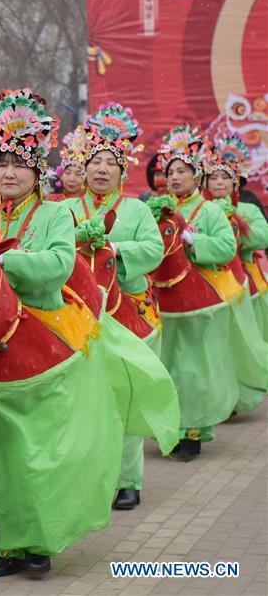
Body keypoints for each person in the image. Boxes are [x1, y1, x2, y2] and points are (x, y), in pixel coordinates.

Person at [0, 88, 136, 577]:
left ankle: (41, 539)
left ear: (37, 174)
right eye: (1, 164)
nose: (9, 173)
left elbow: (58, 265)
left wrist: (8, 258)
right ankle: (7, 541)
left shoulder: (55, 214)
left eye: (20, 166)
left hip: (43, 345)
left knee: (38, 451)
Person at [64, 102, 177, 510]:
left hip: (126, 309)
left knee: (123, 394)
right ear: (83, 166)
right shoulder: (65, 209)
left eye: (110, 162)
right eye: (94, 161)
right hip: (72, 312)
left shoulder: (136, 209)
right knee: (77, 399)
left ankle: (128, 478)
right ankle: (84, 474)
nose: (101, 169)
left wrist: (114, 248)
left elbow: (153, 249)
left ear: (122, 170)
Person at [154, 124, 241, 459]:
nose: (175, 177)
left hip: (201, 299)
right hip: (163, 298)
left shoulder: (209, 211)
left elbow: (226, 247)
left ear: (196, 175)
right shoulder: (156, 207)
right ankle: (171, 426)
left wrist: (193, 240)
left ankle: (193, 430)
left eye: (182, 171)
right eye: (170, 171)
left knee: (194, 367)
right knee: (167, 365)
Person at [201, 134, 268, 413]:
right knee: (216, 342)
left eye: (224, 178)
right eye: (213, 177)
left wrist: (234, 232)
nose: (218, 183)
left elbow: (262, 237)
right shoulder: (201, 209)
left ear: (235, 183)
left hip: (244, 282)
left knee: (242, 339)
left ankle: (242, 392)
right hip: (208, 282)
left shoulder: (248, 208)